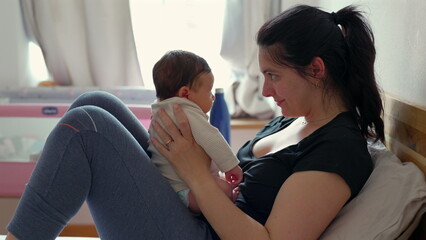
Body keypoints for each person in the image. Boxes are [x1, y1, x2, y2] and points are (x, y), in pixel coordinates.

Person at [5, 4, 384, 240]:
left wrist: (197, 176)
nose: (266, 91)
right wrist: (196, 175)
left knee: (89, 126)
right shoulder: (287, 123)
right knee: (96, 102)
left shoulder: (337, 149)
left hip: (206, 235)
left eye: (274, 76)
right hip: (199, 215)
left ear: (315, 70)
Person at [148, 50, 242, 213]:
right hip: (187, 190)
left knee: (219, 184)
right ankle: (231, 198)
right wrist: (231, 166)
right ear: (185, 93)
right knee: (224, 189)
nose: (212, 97)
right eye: (208, 92)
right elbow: (211, 138)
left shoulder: (160, 111)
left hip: (170, 186)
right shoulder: (185, 110)